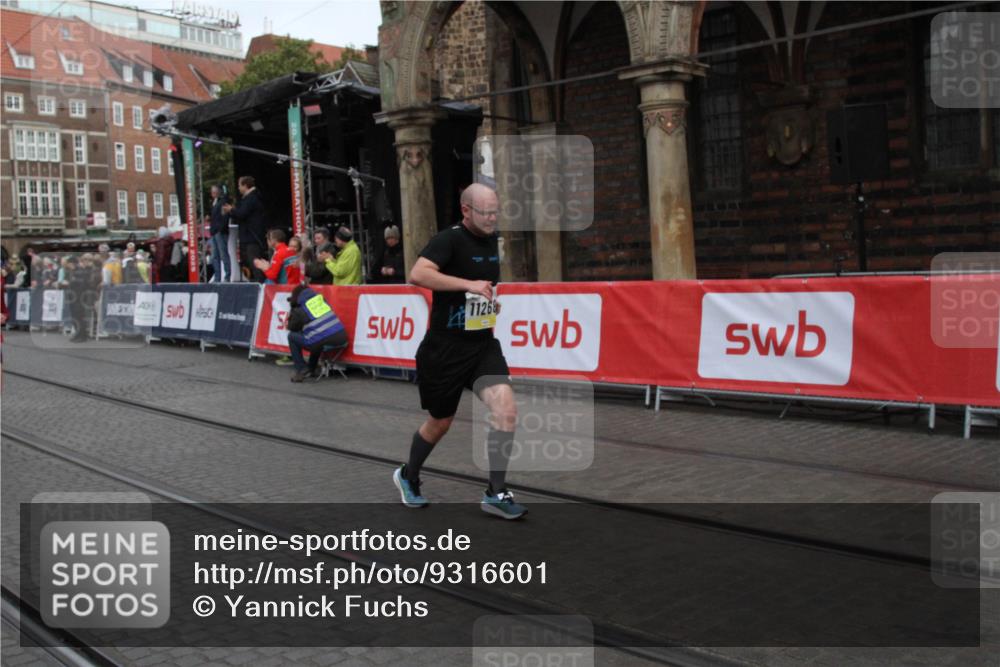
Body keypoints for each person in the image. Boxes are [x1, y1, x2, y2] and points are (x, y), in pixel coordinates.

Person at [392, 183, 524, 519]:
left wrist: (487, 300)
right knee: (440, 422)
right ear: (466, 211)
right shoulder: (448, 239)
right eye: (486, 212)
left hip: (481, 346)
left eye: (496, 211)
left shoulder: (493, 239)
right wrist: (469, 285)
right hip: (444, 350)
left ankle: (496, 493)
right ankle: (408, 475)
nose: (493, 217)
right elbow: (417, 274)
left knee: (506, 410)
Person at [284, 283, 348, 383]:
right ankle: (311, 368)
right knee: (315, 336)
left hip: (322, 340)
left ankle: (301, 368)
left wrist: (293, 308)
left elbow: (292, 327)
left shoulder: (299, 309)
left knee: (292, 337)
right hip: (341, 337)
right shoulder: (320, 300)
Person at [224, 176, 267, 282]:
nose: (238, 188)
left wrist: (231, 210)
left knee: (254, 261)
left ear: (245, 186)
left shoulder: (252, 198)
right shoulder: (248, 198)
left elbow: (242, 213)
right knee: (249, 260)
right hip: (248, 235)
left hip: (252, 236)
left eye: (239, 185)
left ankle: (261, 284)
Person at [209, 185, 230, 282]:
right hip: (214, 232)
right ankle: (217, 278)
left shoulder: (223, 202)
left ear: (218, 192)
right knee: (214, 256)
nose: (212, 193)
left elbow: (224, 217)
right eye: (212, 192)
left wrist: (220, 229)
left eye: (214, 192)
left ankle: (227, 277)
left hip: (219, 232)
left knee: (223, 255)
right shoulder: (214, 203)